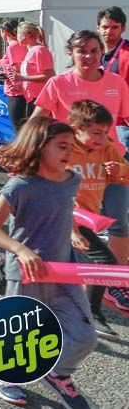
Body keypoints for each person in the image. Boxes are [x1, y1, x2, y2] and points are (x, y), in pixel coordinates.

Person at [0, 118, 98, 408]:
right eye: (61, 146)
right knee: (17, 334)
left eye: (72, 147)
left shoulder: (71, 180)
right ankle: (3, 375)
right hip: (26, 272)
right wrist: (19, 250)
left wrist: (73, 232)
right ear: (38, 147)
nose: (68, 152)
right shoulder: (20, 186)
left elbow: (63, 209)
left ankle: (58, 372)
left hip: (63, 270)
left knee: (84, 334)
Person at [30, 29, 129, 275]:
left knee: (118, 222)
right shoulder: (58, 83)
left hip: (109, 162)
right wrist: (27, 152)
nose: (88, 56)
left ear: (102, 52)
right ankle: (15, 264)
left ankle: (112, 283)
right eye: (81, 51)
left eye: (94, 51)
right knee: (63, 225)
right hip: (68, 166)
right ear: (71, 54)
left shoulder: (116, 84)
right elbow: (36, 120)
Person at [64, 100, 129, 336]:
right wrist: (71, 229)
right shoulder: (63, 149)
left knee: (48, 260)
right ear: (75, 128)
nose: (101, 138)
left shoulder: (107, 148)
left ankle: (4, 266)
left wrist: (119, 170)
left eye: (104, 132)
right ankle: (91, 314)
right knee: (105, 261)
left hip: (85, 219)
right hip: (60, 216)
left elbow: (126, 172)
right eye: (95, 133)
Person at [97, 6, 129, 153]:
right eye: (105, 27)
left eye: (114, 27)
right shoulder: (93, 53)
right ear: (98, 27)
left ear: (123, 29)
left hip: (122, 125)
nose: (109, 31)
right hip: (96, 124)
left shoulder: (127, 53)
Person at [11, 21, 53, 119]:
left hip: (39, 98)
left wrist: (22, 78)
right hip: (31, 97)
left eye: (17, 33)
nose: (16, 37)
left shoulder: (39, 50)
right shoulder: (30, 51)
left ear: (24, 35)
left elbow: (49, 76)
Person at [0, 19, 27, 132]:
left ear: (4, 31)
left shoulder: (12, 46)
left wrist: (9, 77)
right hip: (21, 90)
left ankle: (23, 149)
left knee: (18, 127)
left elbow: (17, 69)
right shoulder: (21, 45)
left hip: (16, 91)